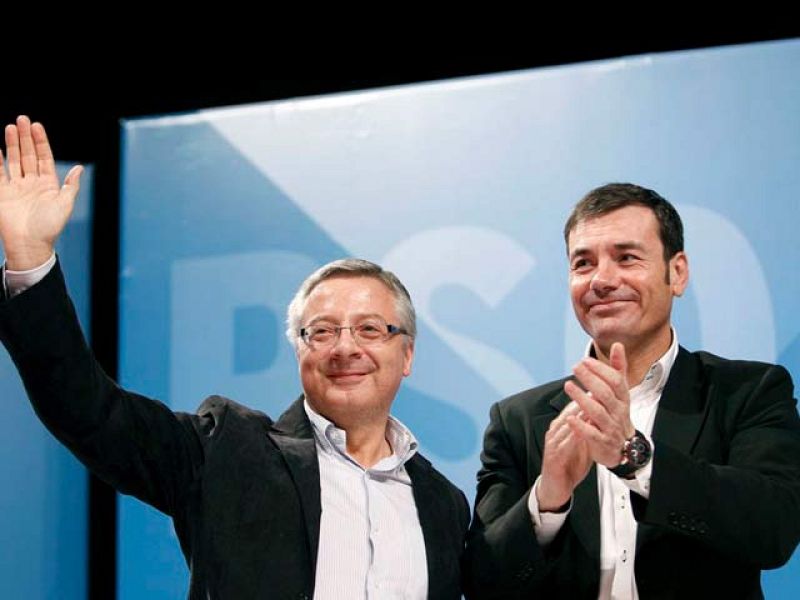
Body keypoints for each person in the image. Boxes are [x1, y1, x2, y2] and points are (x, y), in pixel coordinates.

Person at [0, 115, 469, 599]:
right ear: (300, 350)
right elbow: (88, 411)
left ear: (406, 353)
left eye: (370, 329)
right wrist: (31, 260)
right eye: (323, 331)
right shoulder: (225, 452)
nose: (345, 347)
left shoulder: (444, 506)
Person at [464, 182, 800, 599]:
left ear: (677, 273)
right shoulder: (518, 421)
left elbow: (773, 531)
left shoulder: (747, 392)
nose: (602, 280)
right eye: (583, 263)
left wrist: (636, 458)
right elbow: (482, 584)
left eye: (626, 258)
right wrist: (547, 500)